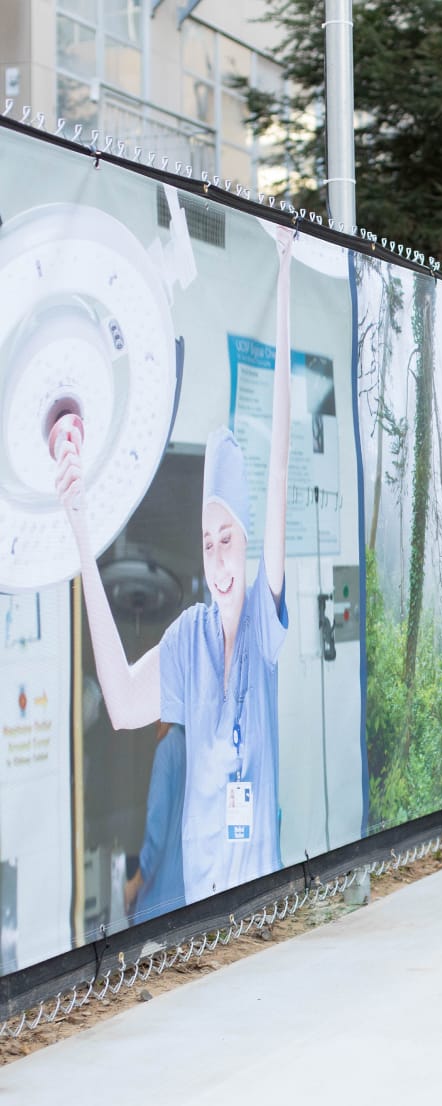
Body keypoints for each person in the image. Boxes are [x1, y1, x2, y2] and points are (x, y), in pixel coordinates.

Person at [55, 226, 294, 905]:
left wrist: (281, 271)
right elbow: (126, 704)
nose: (218, 555)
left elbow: (276, 471)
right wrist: (80, 537)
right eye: (208, 539)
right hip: (199, 900)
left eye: (229, 537)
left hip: (257, 889)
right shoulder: (188, 637)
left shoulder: (262, 628)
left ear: (247, 541)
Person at [125, 722, 186, 925]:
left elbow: (156, 834)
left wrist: (134, 884)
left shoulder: (168, 749)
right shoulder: (192, 743)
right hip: (186, 893)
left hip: (161, 899)